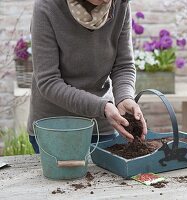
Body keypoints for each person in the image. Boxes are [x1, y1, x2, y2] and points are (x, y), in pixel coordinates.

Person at [28, 0, 147, 153]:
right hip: (56, 127)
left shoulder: (120, 4)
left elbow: (123, 66)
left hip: (102, 126)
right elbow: (48, 82)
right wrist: (101, 107)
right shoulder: (47, 6)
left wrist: (125, 98)